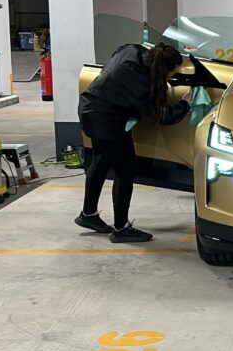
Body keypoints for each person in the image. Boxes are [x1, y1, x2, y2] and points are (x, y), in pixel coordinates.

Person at [76, 43, 191, 243]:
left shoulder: (132, 49)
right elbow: (163, 116)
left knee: (101, 161)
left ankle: (88, 215)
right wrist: (185, 104)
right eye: (173, 73)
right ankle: (121, 228)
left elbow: (115, 55)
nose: (173, 77)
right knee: (125, 171)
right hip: (107, 122)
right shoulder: (142, 84)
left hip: (88, 108)